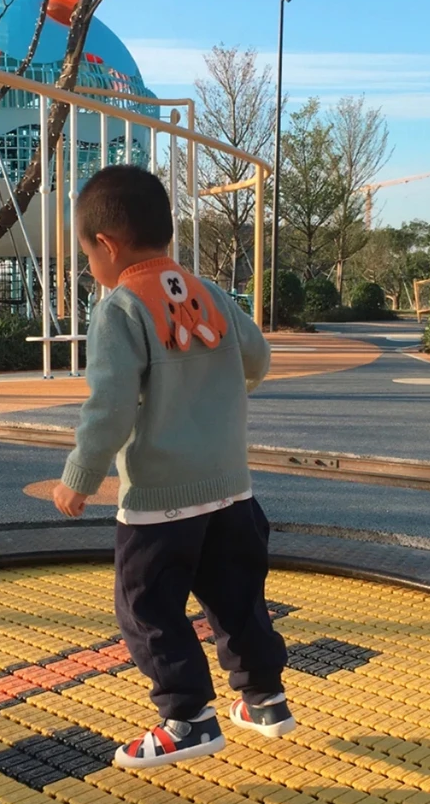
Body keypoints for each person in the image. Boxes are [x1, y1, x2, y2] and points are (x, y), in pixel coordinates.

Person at [53, 165, 293, 769]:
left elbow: (107, 408)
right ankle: (264, 697)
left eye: (87, 256)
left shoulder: (120, 308)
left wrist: (79, 477)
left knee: (148, 607)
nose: (90, 269)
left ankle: (188, 719)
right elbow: (258, 358)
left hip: (161, 500)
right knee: (237, 596)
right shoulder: (207, 290)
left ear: (107, 245)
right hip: (232, 491)